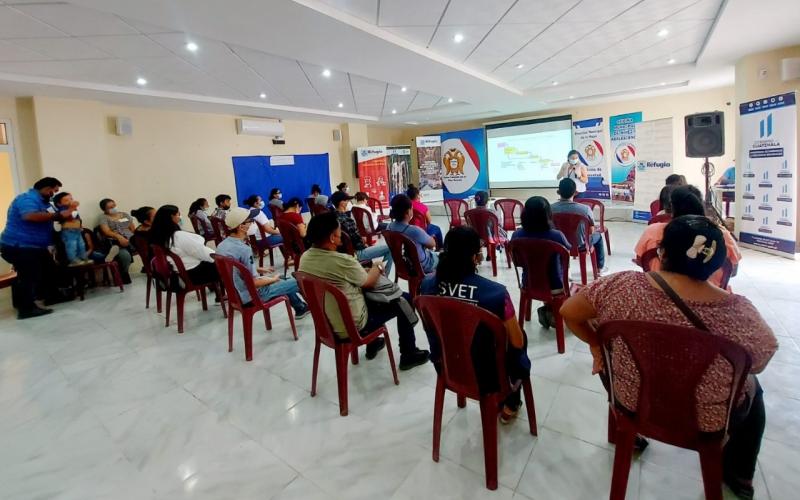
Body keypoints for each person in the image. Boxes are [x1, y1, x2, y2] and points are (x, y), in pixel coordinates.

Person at [560, 215, 777, 499]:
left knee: (609, 361)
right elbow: (759, 362)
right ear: (720, 265)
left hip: (632, 401)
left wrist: (595, 344)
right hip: (708, 419)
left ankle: (630, 434)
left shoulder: (620, 287)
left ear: (661, 253)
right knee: (754, 389)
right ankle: (739, 476)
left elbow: (569, 312)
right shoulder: (739, 312)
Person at [420, 226, 531, 424]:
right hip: (487, 376)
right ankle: (511, 401)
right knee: (520, 336)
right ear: (473, 257)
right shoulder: (496, 293)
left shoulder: (426, 285)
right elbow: (516, 342)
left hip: (446, 364)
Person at [298, 211, 429, 369]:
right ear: (332, 237)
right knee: (404, 299)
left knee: (363, 296)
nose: (341, 239)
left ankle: (373, 343)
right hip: (352, 326)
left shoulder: (305, 257)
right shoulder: (341, 260)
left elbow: (345, 278)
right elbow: (368, 283)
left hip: (327, 323)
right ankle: (409, 354)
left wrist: (362, 271)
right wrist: (377, 267)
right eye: (339, 235)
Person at [635, 185, 741, 288]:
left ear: (672, 208)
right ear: (701, 205)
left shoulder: (652, 232)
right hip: (713, 297)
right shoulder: (721, 235)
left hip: (659, 295)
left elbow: (642, 261)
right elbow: (732, 270)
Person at [215, 207, 309, 318]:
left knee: (283, 278)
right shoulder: (243, 249)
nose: (253, 224)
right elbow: (254, 283)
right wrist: (273, 279)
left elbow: (236, 268)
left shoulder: (222, 246)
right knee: (300, 281)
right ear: (241, 227)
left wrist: (258, 269)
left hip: (237, 294)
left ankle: (300, 308)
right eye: (251, 221)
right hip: (254, 295)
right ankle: (315, 310)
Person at [0, 177, 73, 318]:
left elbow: (55, 213)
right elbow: (30, 216)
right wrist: (57, 215)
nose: (54, 194)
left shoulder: (43, 201)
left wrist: (68, 209)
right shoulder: (26, 199)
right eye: (53, 191)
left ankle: (52, 296)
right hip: (18, 245)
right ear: (46, 189)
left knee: (49, 268)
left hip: (34, 246)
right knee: (29, 275)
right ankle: (26, 309)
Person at [511, 196, 571, 328]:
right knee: (576, 287)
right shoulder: (556, 235)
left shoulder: (516, 236)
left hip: (528, 283)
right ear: (548, 214)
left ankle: (548, 310)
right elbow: (568, 251)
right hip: (556, 286)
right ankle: (553, 312)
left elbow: (517, 262)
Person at [149, 204, 218, 284]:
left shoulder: (157, 236)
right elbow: (201, 251)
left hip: (176, 272)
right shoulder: (178, 236)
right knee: (223, 266)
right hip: (191, 275)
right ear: (172, 217)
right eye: (178, 214)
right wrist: (218, 257)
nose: (180, 217)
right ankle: (224, 294)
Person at [331, 191, 393, 275]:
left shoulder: (331, 217)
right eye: (347, 201)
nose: (348, 203)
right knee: (391, 248)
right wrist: (364, 244)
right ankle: (384, 276)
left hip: (339, 252)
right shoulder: (347, 220)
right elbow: (358, 244)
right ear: (342, 203)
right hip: (355, 253)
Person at [551, 178, 605, 271]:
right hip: (580, 245)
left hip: (558, 244)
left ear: (558, 192)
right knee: (598, 236)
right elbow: (591, 231)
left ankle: (563, 270)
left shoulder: (550, 209)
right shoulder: (585, 209)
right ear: (575, 192)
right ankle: (599, 268)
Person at [53, 193, 119, 266]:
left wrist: (79, 226)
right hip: (69, 232)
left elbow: (77, 218)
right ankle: (73, 260)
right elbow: (67, 216)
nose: (70, 201)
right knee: (72, 246)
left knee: (81, 245)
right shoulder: (62, 210)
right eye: (66, 200)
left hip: (77, 231)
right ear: (59, 204)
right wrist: (72, 208)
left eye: (71, 199)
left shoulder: (73, 209)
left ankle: (83, 258)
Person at [386, 194, 438, 274]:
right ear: (408, 212)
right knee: (443, 258)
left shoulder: (389, 227)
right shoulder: (415, 231)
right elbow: (432, 244)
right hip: (421, 266)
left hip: (402, 265)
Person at [98, 198, 136, 284]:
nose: (113, 208)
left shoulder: (124, 215)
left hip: (130, 238)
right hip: (115, 240)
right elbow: (106, 231)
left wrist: (133, 237)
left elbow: (132, 228)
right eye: (110, 207)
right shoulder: (103, 218)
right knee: (125, 256)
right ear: (104, 209)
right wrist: (118, 236)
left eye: (114, 206)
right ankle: (123, 273)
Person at [406, 184, 443, 248]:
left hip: (407, 230)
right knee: (437, 228)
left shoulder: (405, 206)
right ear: (417, 195)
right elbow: (429, 221)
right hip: (422, 231)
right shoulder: (423, 207)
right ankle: (440, 248)